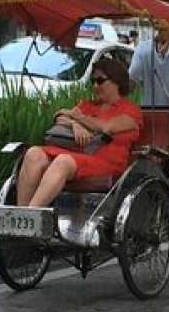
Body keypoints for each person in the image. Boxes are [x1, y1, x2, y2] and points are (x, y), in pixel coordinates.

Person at [16, 56, 143, 207]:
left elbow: (106, 127)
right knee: (33, 154)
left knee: (63, 161)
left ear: (116, 81)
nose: (95, 86)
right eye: (93, 81)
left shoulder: (130, 111)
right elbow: (60, 116)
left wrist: (77, 117)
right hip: (76, 153)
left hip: (105, 161)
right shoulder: (89, 105)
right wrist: (74, 125)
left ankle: (31, 214)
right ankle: (21, 214)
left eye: (100, 81)